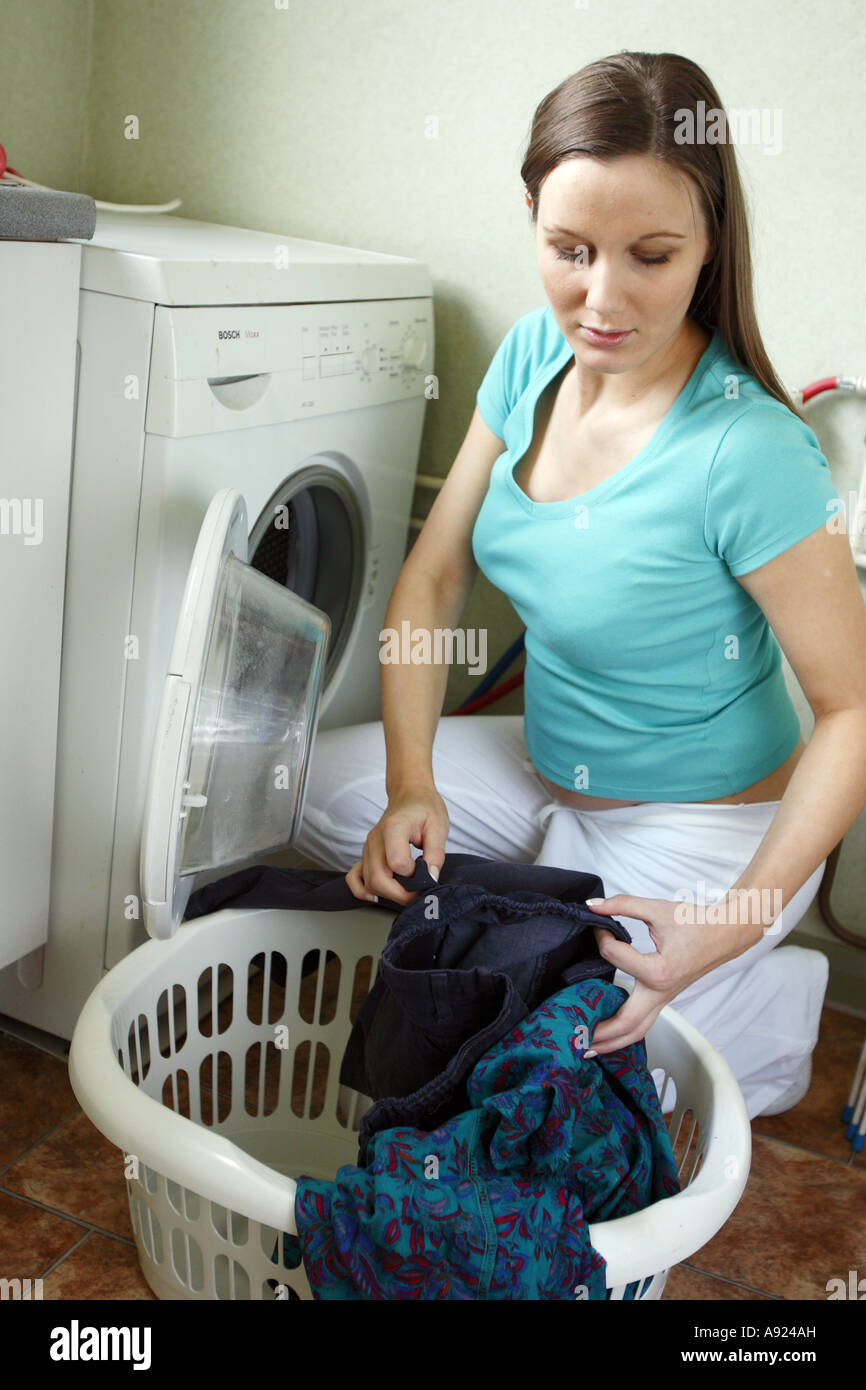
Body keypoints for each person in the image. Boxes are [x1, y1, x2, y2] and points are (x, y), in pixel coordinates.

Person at [293, 51, 866, 1120]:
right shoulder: (527, 358)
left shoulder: (748, 449)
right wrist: (413, 781)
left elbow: (852, 711)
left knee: (538, 1083)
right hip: (543, 768)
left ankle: (748, 997)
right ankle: (557, 918)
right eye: (568, 250)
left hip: (702, 830)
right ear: (530, 217)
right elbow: (430, 576)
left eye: (650, 256)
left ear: (707, 248)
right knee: (307, 793)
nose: (599, 301)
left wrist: (733, 917)